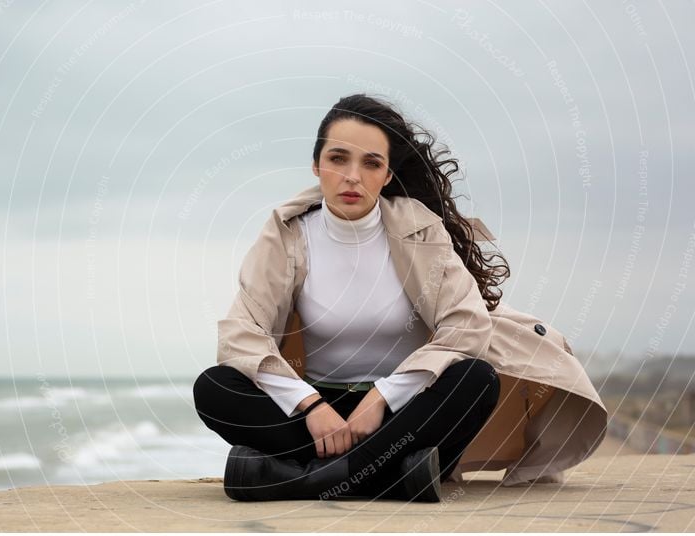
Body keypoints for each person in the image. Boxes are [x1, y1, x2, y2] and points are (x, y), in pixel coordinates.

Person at [194, 93, 607, 503]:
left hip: (404, 412)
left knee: (475, 380)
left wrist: (382, 396)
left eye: (370, 163)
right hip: (318, 417)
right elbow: (242, 332)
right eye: (338, 159)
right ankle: (392, 477)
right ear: (317, 166)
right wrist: (310, 405)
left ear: (388, 175)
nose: (352, 176)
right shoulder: (288, 233)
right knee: (215, 389)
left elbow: (466, 325)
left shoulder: (422, 230)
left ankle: (302, 478)